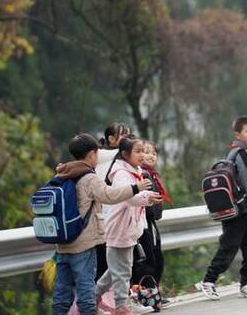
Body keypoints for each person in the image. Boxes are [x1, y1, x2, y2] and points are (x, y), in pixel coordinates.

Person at [52, 134, 153, 315]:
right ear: (92, 154)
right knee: (86, 285)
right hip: (83, 241)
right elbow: (109, 195)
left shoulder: (63, 173)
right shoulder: (88, 177)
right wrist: (136, 188)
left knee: (63, 288)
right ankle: (110, 307)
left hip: (63, 241)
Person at [195, 116, 247, 300]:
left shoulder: (237, 152)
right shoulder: (242, 154)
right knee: (229, 247)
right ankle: (208, 281)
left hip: (243, 208)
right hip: (241, 209)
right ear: (238, 134)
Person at [95, 135, 163, 315]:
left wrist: (148, 197)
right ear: (125, 154)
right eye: (138, 151)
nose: (142, 155)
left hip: (128, 229)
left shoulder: (134, 170)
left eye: (143, 151)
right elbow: (128, 198)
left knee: (116, 269)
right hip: (120, 228)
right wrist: (147, 196)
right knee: (122, 271)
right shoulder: (121, 174)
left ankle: (92, 298)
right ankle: (121, 307)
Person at [131, 140, 173, 311]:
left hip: (151, 223)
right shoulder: (141, 174)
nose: (150, 155)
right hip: (144, 224)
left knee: (157, 259)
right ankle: (145, 296)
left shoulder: (151, 174)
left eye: (154, 153)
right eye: (145, 151)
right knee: (148, 261)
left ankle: (152, 294)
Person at [95, 122, 131, 282]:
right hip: (108, 218)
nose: (129, 139)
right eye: (124, 135)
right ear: (111, 138)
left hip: (112, 217)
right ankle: (106, 301)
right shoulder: (107, 160)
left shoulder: (102, 158)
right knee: (110, 263)